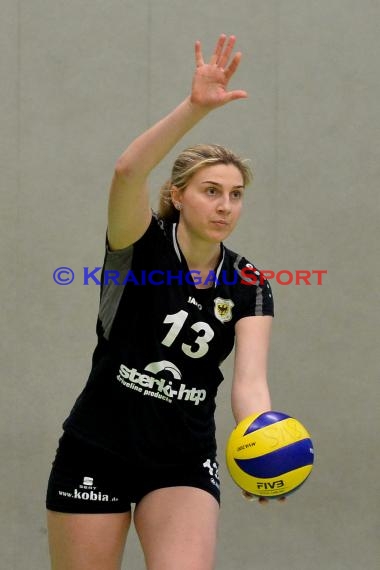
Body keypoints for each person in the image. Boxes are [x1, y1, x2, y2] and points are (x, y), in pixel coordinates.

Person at [46, 34, 276, 570]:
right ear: (177, 195)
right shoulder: (138, 244)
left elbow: (251, 384)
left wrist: (261, 445)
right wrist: (195, 107)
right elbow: (128, 171)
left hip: (180, 457)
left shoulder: (250, 283)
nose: (225, 205)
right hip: (97, 444)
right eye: (211, 190)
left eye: (235, 194)